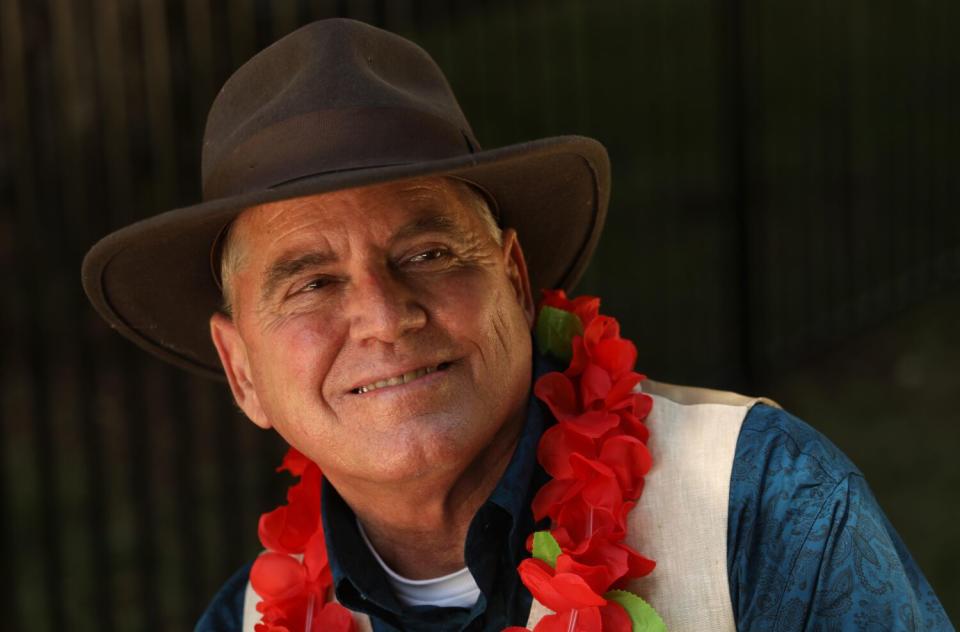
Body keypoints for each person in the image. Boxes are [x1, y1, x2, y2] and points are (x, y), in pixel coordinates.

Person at [82, 18, 953, 632]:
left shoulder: (761, 510)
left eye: (425, 254)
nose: (386, 317)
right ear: (241, 372)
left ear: (515, 279)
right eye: (311, 283)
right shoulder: (247, 625)